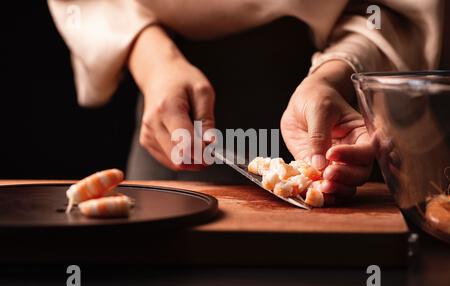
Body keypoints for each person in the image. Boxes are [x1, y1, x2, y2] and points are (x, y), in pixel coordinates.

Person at [48, 0, 443, 203]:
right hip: (169, 130)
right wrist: (154, 62)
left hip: (336, 114)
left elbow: (395, 8)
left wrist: (335, 76)